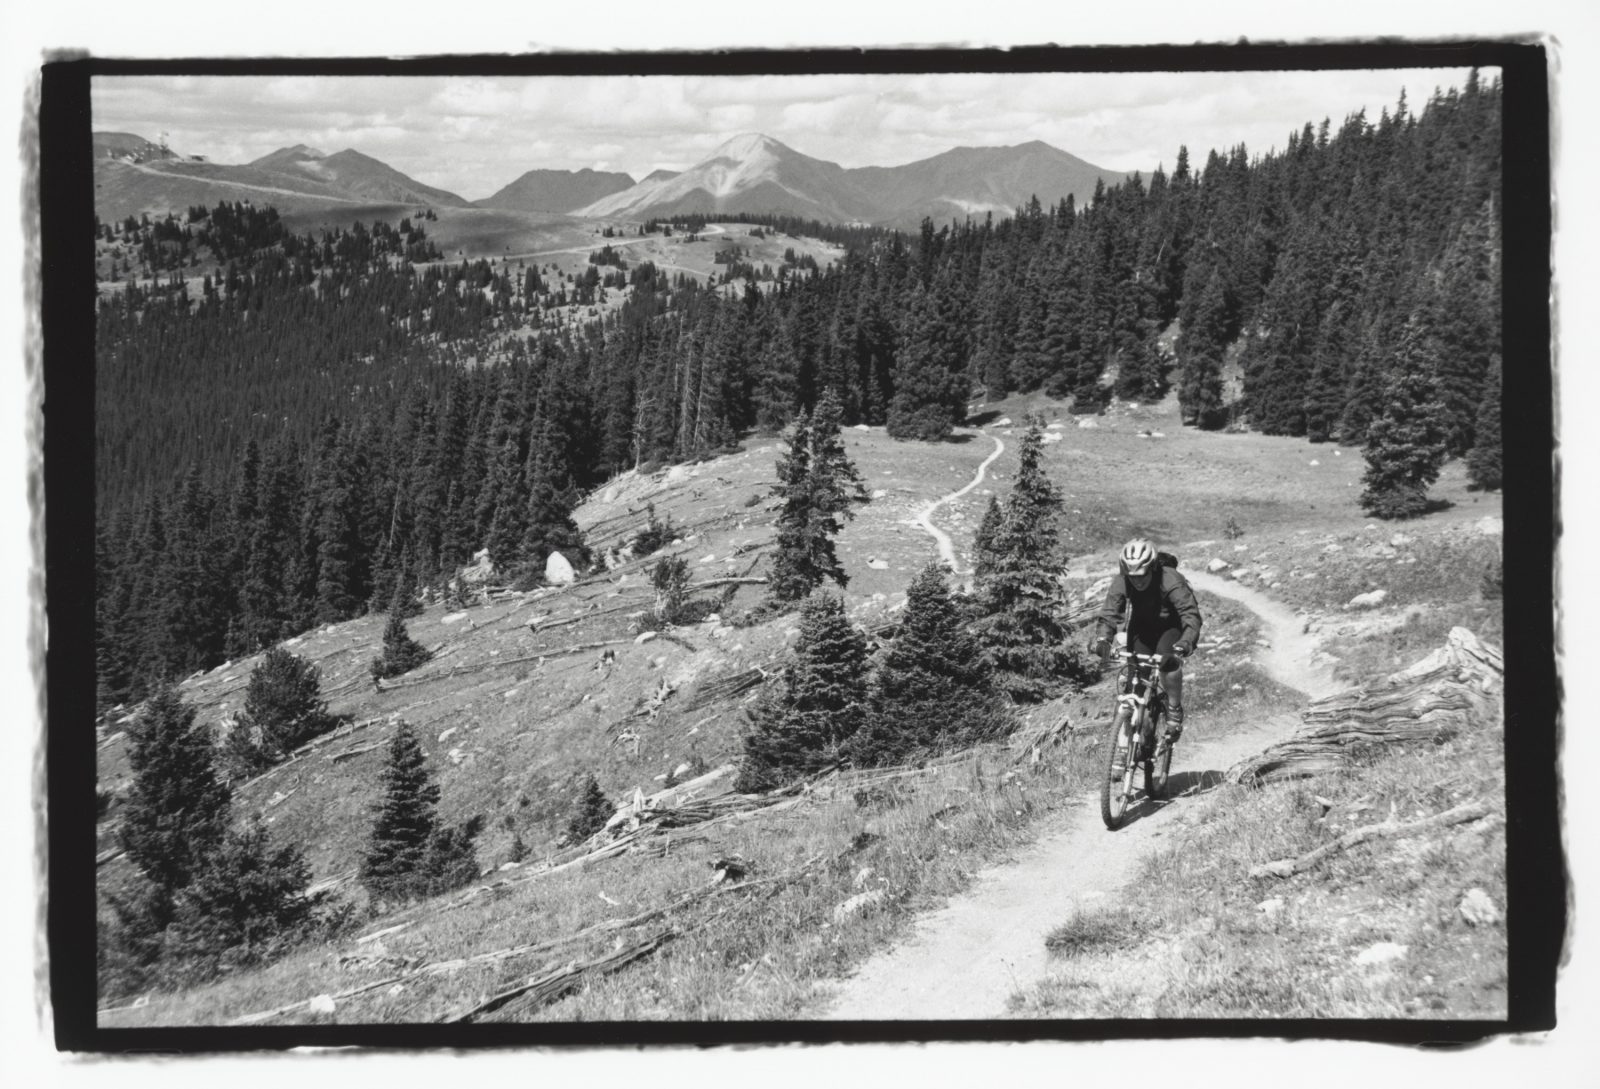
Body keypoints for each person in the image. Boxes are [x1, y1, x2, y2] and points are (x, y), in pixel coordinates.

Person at [1088, 538, 1203, 739]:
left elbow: (1190, 615)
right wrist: (1103, 640)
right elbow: (1109, 613)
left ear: (1152, 568)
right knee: (1135, 681)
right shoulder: (1122, 580)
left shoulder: (1170, 579)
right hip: (1141, 629)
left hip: (1170, 628)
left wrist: (1184, 644)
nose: (1137, 581)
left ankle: (1174, 709)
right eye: (1132, 577)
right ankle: (1127, 744)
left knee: (1168, 664)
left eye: (1142, 575)